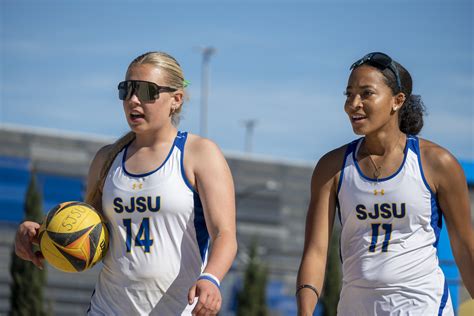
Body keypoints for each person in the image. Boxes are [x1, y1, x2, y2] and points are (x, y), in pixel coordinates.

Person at [14, 51, 238, 315]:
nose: (133, 100)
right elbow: (86, 232)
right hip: (108, 308)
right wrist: (38, 236)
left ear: (175, 100)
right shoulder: (107, 159)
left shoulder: (199, 153)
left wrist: (211, 278)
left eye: (146, 91)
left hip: (180, 309)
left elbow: (224, 234)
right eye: (127, 89)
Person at [296, 52, 474, 315]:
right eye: (348, 94)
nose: (353, 104)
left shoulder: (437, 163)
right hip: (354, 307)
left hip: (421, 306)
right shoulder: (331, 167)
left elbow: (465, 248)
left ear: (397, 101)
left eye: (366, 93)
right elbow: (315, 252)